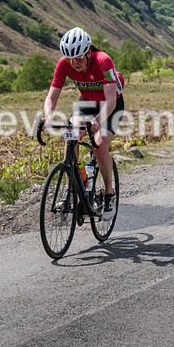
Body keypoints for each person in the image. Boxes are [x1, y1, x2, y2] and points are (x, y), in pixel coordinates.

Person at [42, 27, 124, 220]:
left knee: (99, 144)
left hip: (110, 106)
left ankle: (109, 194)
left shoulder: (103, 60)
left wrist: (97, 121)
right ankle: (72, 191)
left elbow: (111, 100)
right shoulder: (64, 64)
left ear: (88, 52)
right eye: (71, 58)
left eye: (79, 57)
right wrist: (48, 116)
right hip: (86, 103)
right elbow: (51, 97)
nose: (75, 62)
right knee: (71, 135)